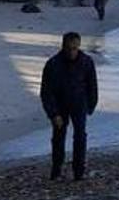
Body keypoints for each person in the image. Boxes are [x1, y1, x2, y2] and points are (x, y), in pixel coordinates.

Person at [39, 32, 98, 181]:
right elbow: (46, 92)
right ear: (63, 46)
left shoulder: (86, 61)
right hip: (60, 104)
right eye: (69, 48)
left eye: (75, 48)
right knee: (58, 137)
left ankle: (79, 171)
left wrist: (91, 105)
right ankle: (57, 170)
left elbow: (92, 85)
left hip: (80, 103)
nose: (72, 52)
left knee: (80, 135)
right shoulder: (53, 64)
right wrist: (53, 114)